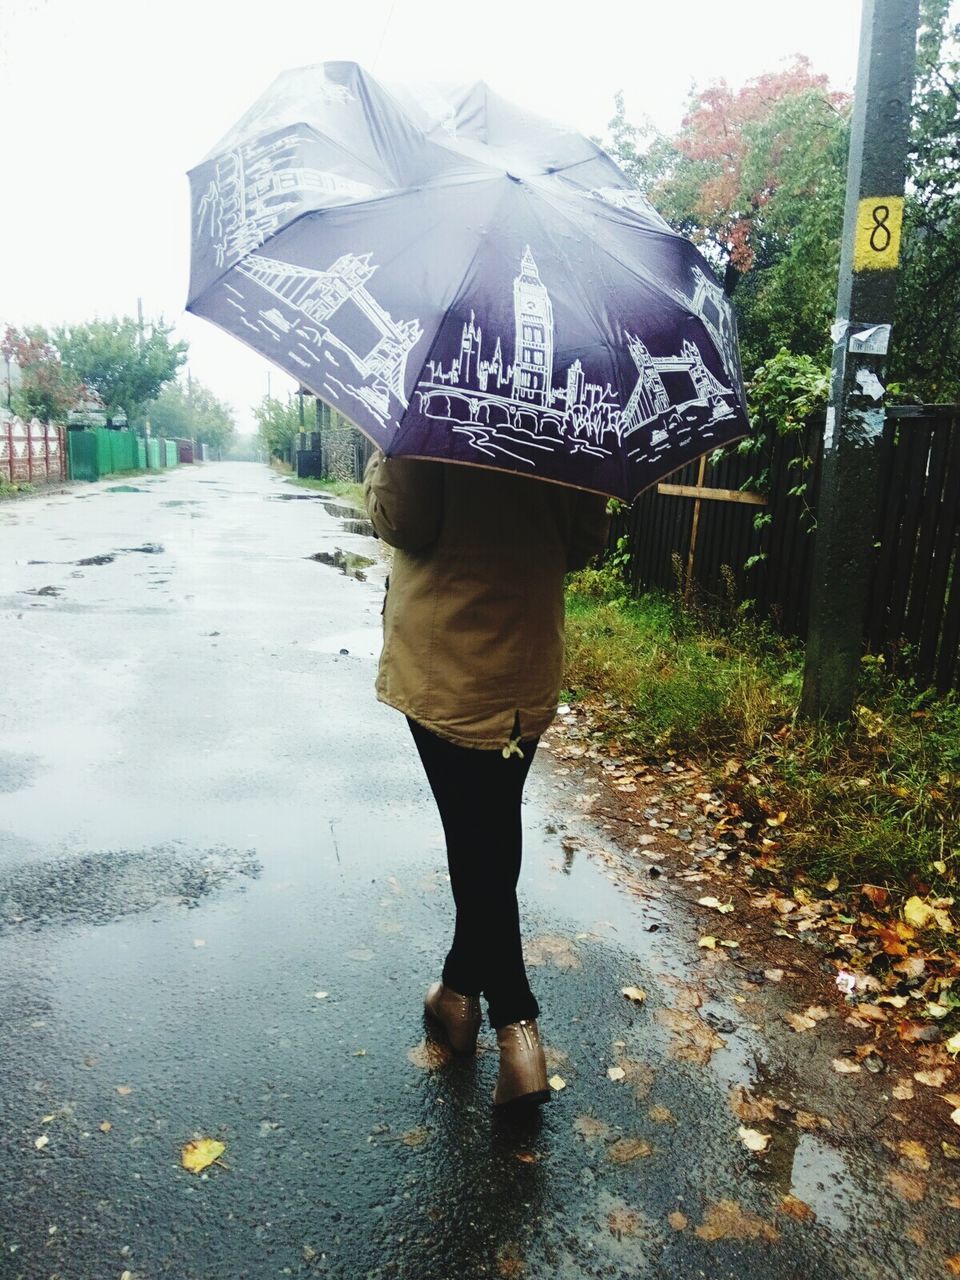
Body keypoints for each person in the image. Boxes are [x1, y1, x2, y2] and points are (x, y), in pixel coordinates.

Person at [363, 451, 609, 1107]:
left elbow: (401, 520)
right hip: (526, 662)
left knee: (476, 841)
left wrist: (383, 456)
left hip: (446, 659)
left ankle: (517, 1028)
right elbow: (586, 542)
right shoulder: (569, 412)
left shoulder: (436, 402)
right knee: (491, 829)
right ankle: (455, 994)